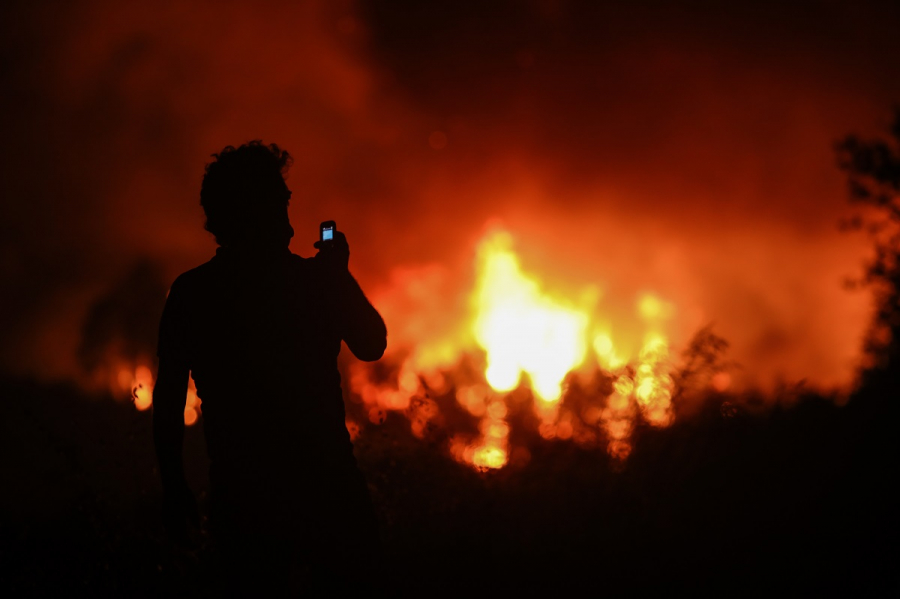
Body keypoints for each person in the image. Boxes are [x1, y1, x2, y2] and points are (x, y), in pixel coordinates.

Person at [152, 141, 387, 595]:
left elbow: (168, 401)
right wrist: (339, 274)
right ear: (255, 209)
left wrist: (174, 484)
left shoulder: (194, 292)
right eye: (278, 200)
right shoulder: (313, 282)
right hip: (326, 488)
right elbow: (372, 344)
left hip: (244, 493)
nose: (286, 210)